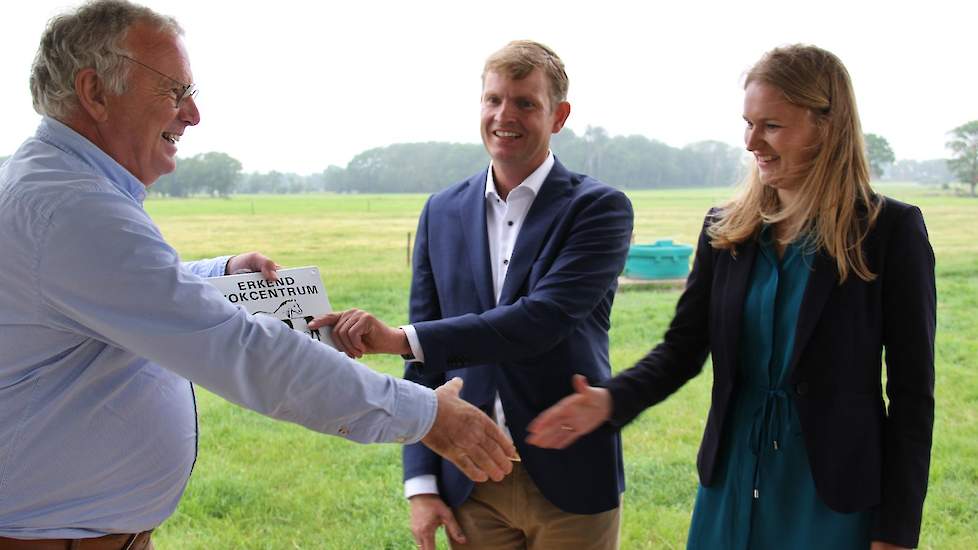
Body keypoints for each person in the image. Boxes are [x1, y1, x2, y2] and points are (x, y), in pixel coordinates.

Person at [0, 1, 514, 547]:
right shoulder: (73, 210)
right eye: (174, 92)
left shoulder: (55, 190)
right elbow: (245, 350)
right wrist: (426, 413)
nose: (192, 115)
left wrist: (219, 275)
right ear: (95, 91)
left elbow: (130, 293)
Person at [528, 44, 936, 550]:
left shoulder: (889, 231)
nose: (751, 142)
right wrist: (612, 399)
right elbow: (682, 349)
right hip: (732, 483)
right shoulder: (726, 230)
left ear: (825, 125)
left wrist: (896, 532)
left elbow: (913, 397)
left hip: (830, 497)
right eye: (748, 123)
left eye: (771, 125)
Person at [313, 41, 632, 550]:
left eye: (526, 102)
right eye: (493, 100)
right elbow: (426, 365)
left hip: (572, 475)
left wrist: (396, 338)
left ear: (559, 116)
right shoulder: (440, 211)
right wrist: (420, 483)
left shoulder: (599, 209)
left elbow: (540, 321)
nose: (505, 115)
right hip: (468, 477)